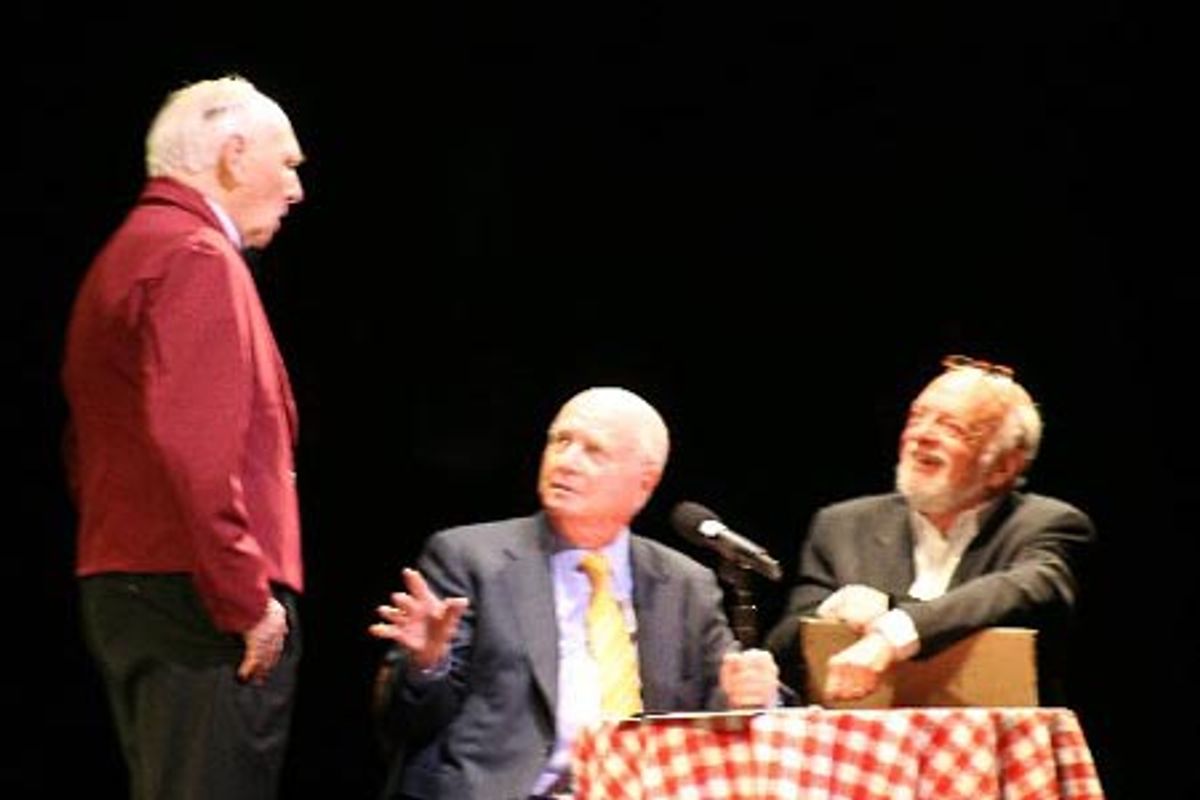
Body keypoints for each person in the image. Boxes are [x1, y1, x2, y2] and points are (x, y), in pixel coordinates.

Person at [61, 75, 306, 800]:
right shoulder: (196, 255)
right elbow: (199, 451)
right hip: (200, 600)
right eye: (287, 164)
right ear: (232, 156)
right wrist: (245, 597)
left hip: (136, 585)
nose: (296, 190)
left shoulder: (130, 252)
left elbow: (86, 451)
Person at [369, 387, 781, 800]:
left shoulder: (685, 585)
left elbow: (725, 708)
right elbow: (406, 723)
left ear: (644, 482)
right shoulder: (470, 559)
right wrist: (426, 665)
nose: (566, 462)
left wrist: (751, 694)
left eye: (593, 451)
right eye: (560, 441)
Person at [765, 355, 1095, 705]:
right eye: (917, 418)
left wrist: (892, 628)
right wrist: (829, 610)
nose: (922, 436)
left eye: (951, 428)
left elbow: (1025, 589)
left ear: (1003, 466)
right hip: (860, 745)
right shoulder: (843, 525)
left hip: (991, 748)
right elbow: (783, 649)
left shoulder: (1047, 525)